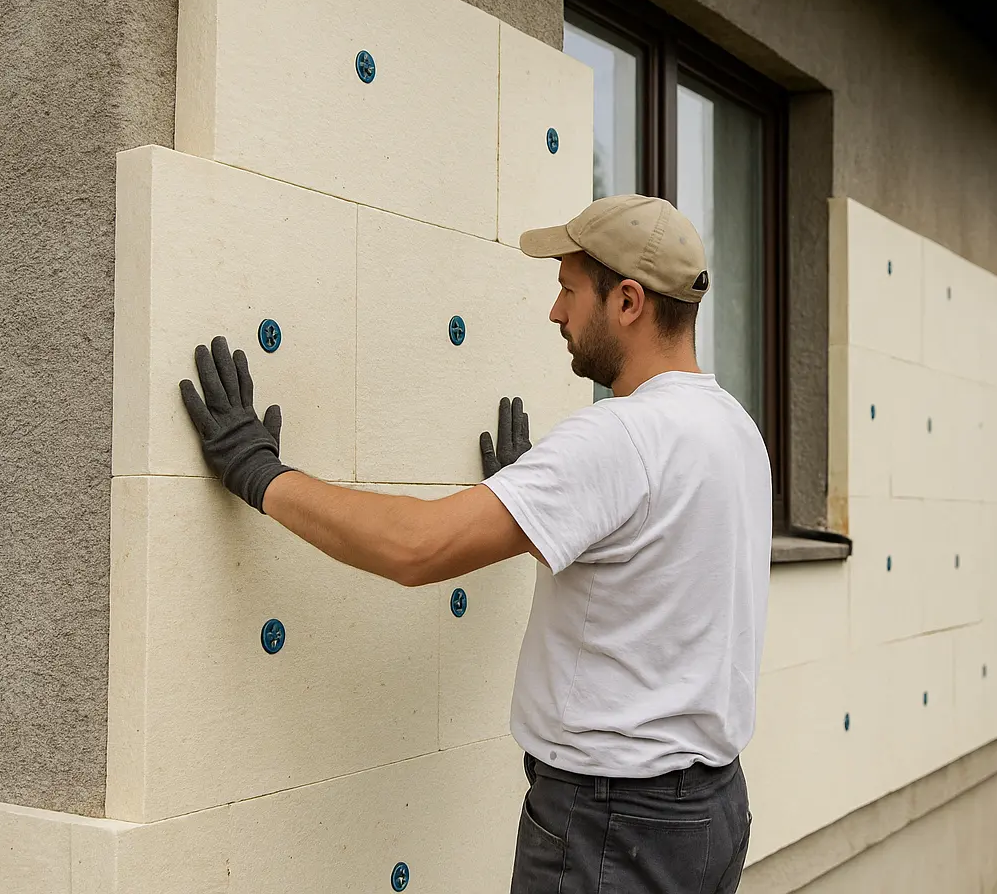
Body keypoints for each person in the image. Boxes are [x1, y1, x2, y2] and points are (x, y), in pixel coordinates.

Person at [179, 194, 773, 893]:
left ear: (630, 302)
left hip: (613, 827)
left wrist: (260, 472)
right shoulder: (734, 430)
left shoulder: (619, 437)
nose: (556, 313)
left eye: (569, 290)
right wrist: (535, 508)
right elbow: (654, 572)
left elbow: (417, 548)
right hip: (710, 813)